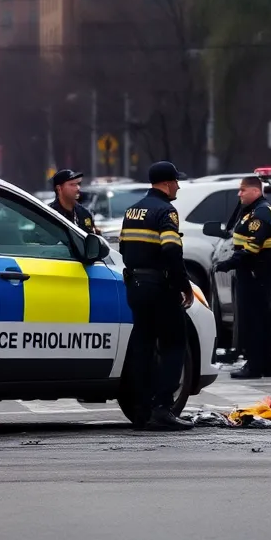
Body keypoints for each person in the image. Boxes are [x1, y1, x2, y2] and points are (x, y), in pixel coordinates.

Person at [118, 161, 194, 432]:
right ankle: (162, 408)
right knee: (174, 343)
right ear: (166, 183)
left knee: (143, 347)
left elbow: (124, 246)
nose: (178, 186)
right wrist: (183, 284)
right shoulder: (166, 211)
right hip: (159, 287)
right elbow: (172, 251)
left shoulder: (132, 210)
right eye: (176, 181)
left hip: (136, 285)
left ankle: (141, 411)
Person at [214, 175, 271, 380]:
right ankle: (267, 366)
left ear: (255, 191)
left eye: (243, 190)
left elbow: (252, 247)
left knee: (252, 321)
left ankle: (254, 367)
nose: (239, 193)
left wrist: (228, 264)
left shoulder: (262, 213)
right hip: (253, 272)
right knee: (259, 320)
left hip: (255, 273)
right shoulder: (253, 211)